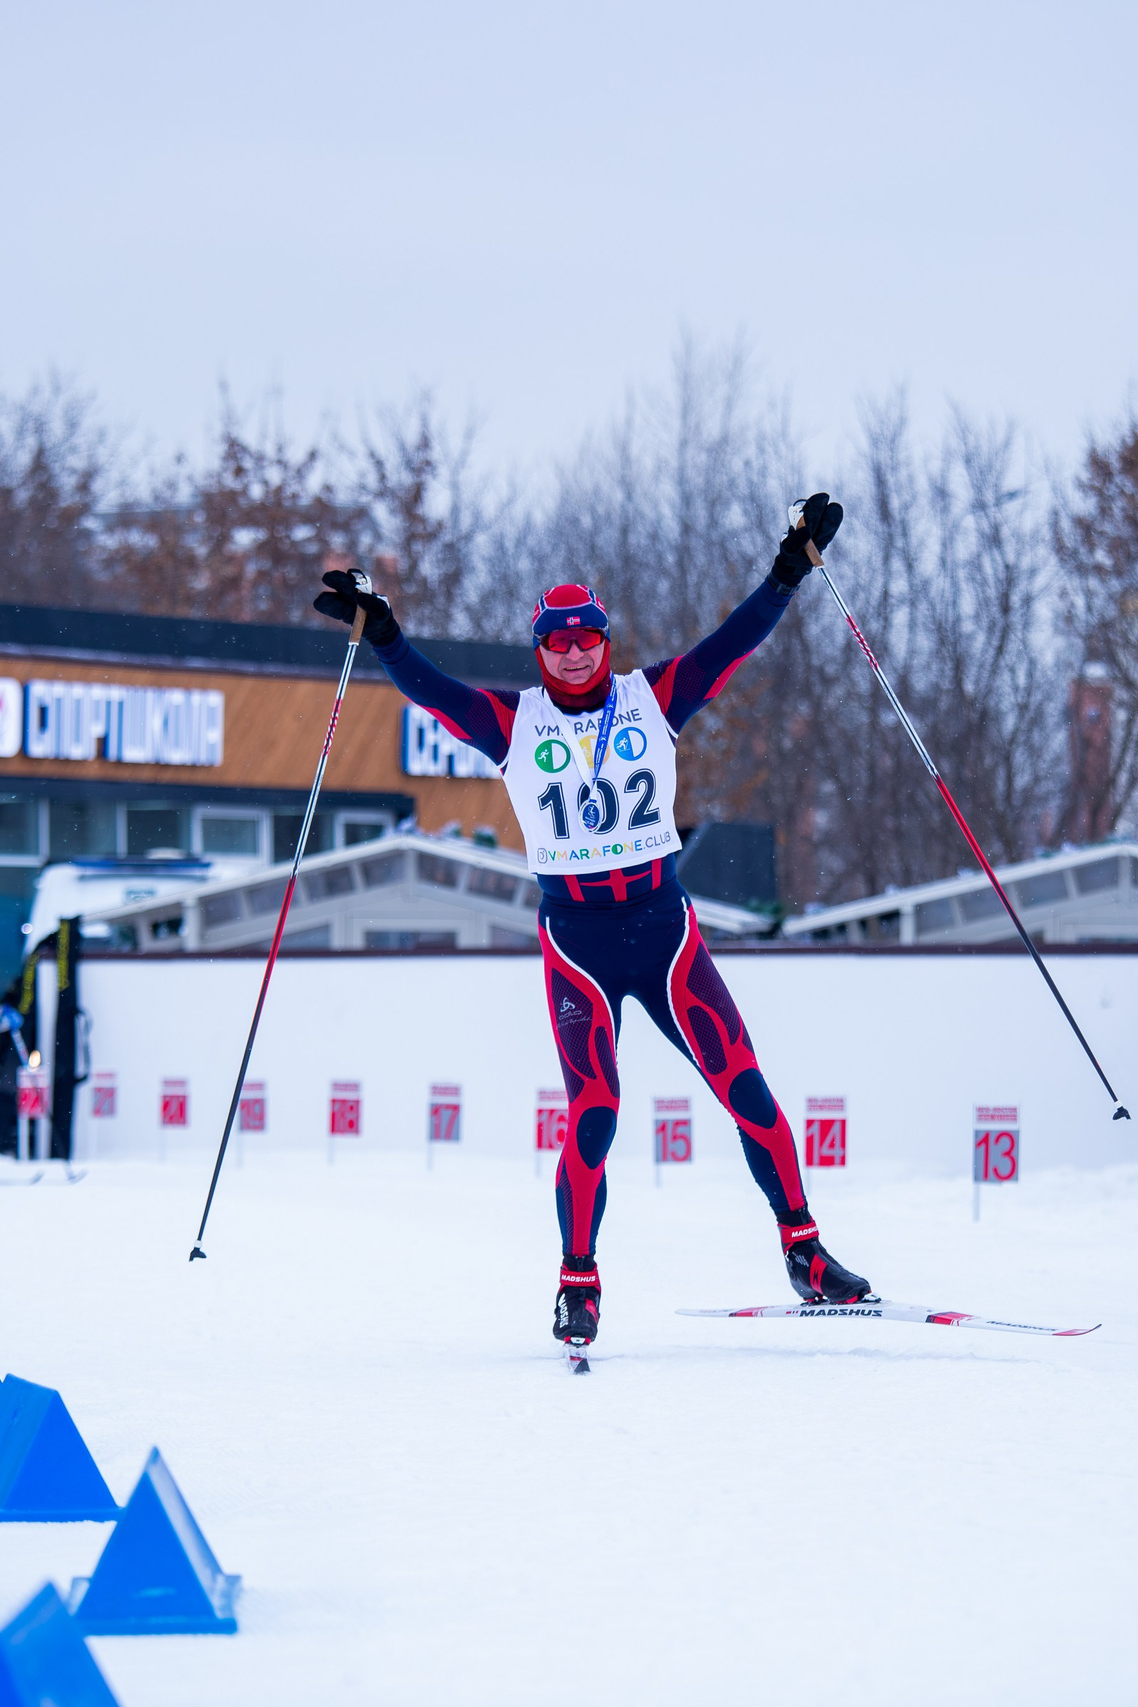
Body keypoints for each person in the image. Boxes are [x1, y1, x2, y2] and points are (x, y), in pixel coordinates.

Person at [312, 492, 869, 1352]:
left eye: (587, 638)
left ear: (607, 641)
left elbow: (738, 640)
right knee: (596, 1109)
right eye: (557, 642)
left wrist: (789, 567)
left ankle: (805, 1250)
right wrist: (383, 631)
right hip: (578, 943)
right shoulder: (513, 721)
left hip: (665, 929)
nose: (574, 654)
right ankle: (579, 1280)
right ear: (539, 651)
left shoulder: (654, 699)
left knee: (745, 1086)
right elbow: (430, 690)